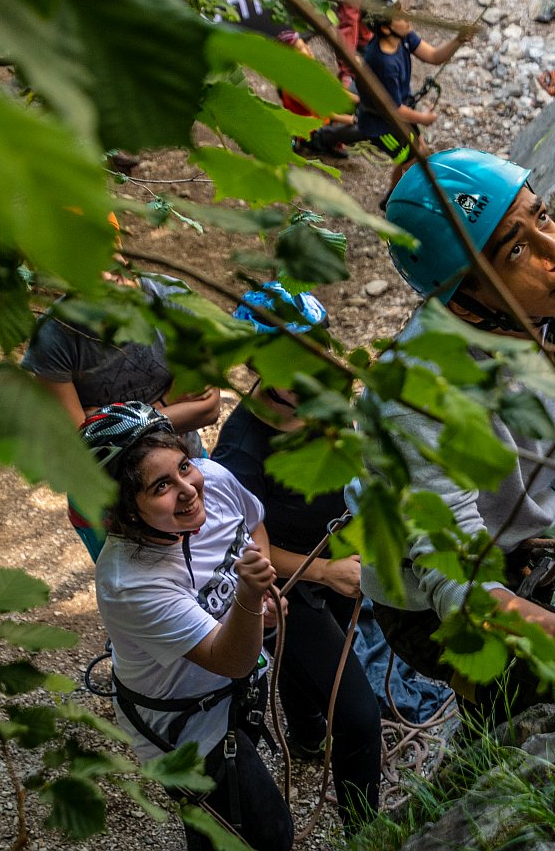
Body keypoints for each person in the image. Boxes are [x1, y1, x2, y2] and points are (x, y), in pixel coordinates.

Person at [363, 148, 555, 725]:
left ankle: (492, 715)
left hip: (520, 550)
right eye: (515, 250)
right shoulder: (413, 393)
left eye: (543, 217)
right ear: (462, 299)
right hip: (426, 607)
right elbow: (455, 587)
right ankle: (488, 721)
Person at [82, 402, 293, 851]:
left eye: (183, 466)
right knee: (269, 834)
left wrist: (258, 589)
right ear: (126, 511)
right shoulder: (129, 582)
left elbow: (251, 526)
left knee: (219, 825)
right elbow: (230, 659)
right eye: (161, 485)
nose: (188, 489)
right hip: (186, 724)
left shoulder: (210, 479)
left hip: (230, 688)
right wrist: (249, 596)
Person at [212, 283, 381, 828]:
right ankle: (366, 834)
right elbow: (246, 551)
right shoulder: (241, 451)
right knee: (359, 718)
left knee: (312, 663)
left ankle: (307, 733)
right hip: (289, 585)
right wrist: (325, 571)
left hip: (338, 558)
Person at [22, 251, 221, 559]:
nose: (104, 277)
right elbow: (84, 453)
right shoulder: (54, 337)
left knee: (216, 566)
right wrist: (168, 401)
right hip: (111, 503)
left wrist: (109, 424)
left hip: (185, 468)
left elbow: (208, 407)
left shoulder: (171, 298)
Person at [355, 0, 473, 211]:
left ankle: (390, 198)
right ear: (385, 28)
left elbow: (434, 56)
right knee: (412, 159)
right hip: (381, 126)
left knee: (418, 152)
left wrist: (458, 40)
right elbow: (394, 110)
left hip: (399, 115)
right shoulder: (382, 63)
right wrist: (423, 118)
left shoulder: (403, 37)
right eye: (399, 15)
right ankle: (398, 204)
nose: (407, 16)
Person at [274, 29, 363, 160]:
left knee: (359, 90)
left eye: (304, 44)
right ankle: (322, 143)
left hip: (327, 115)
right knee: (362, 129)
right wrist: (353, 120)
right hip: (315, 130)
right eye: (301, 48)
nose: (308, 48)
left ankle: (338, 134)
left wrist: (361, 100)